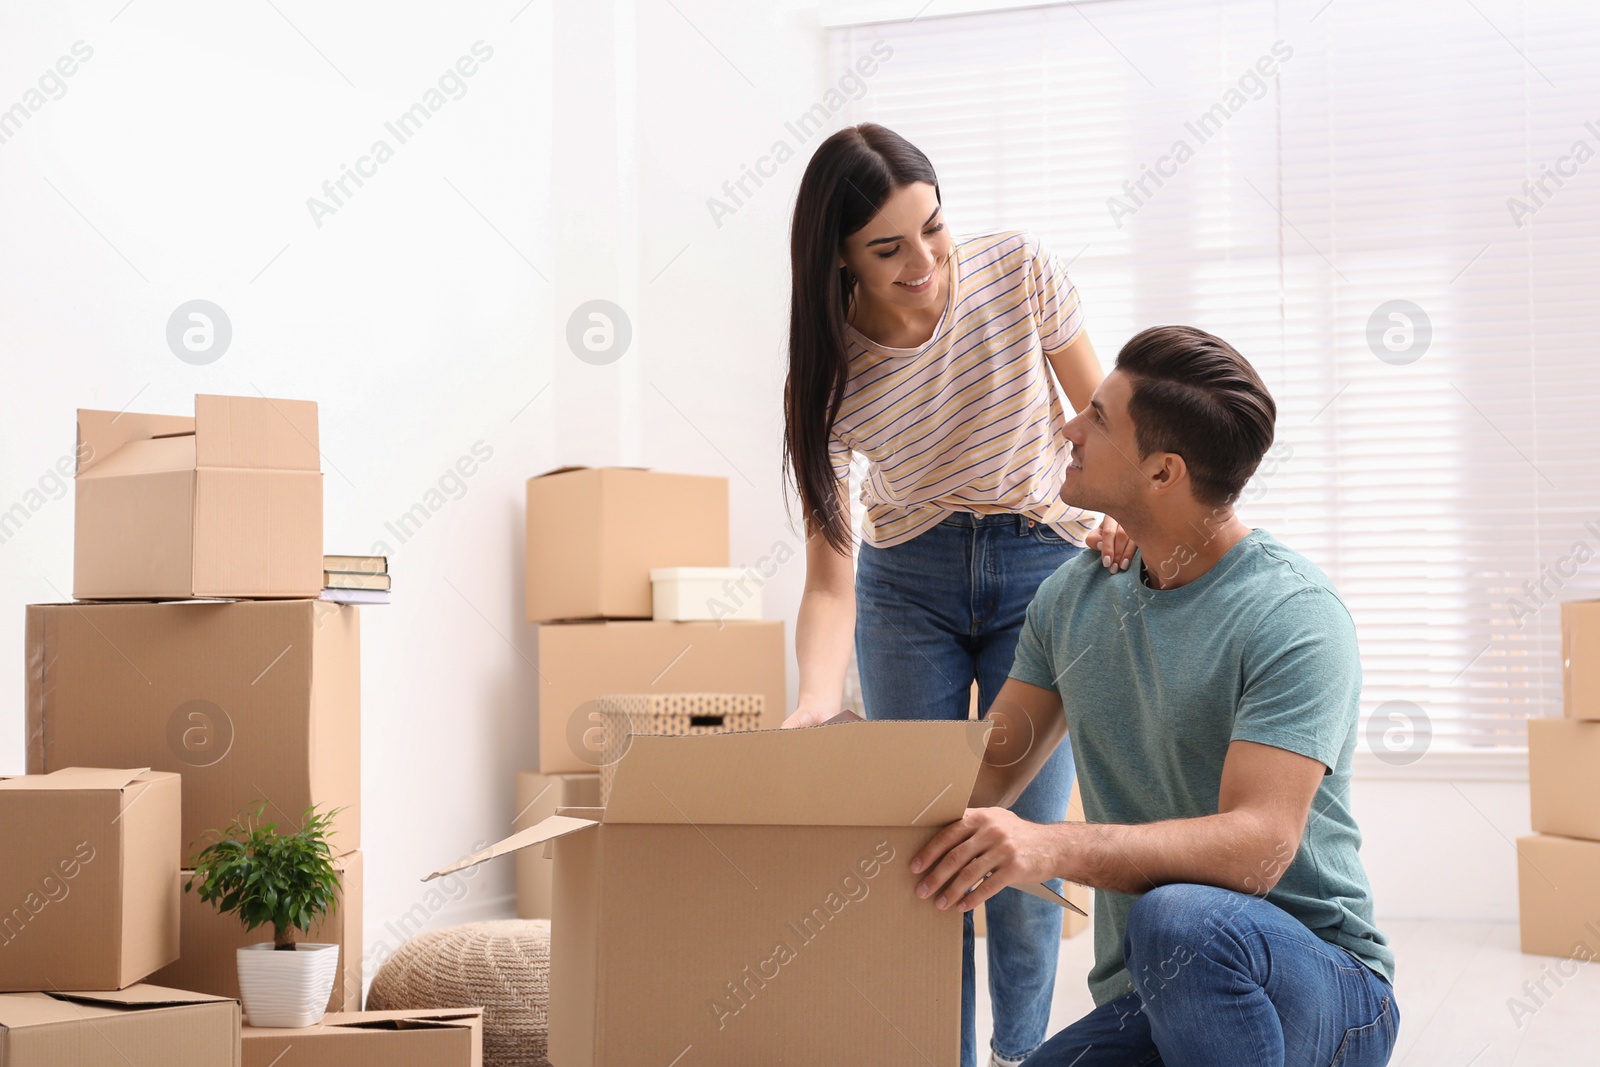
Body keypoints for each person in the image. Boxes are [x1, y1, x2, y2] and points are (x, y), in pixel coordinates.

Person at [910, 325, 1399, 1067]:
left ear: (1163, 473)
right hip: (1156, 989)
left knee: (1183, 920)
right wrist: (855, 760)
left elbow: (1258, 850)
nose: (1068, 425)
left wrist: (1049, 844)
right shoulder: (1073, 599)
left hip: (1323, 985)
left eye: (1098, 418)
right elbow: (984, 776)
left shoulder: (1293, 614)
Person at [778, 122, 1134, 1067]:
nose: (925, 262)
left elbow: (1102, 422)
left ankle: (1024, 1056)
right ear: (839, 258)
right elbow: (828, 579)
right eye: (887, 249)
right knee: (926, 856)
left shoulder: (1014, 270)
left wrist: (1121, 512)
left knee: (1015, 847)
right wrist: (819, 696)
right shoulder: (827, 373)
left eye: (933, 228)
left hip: (1038, 573)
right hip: (909, 593)